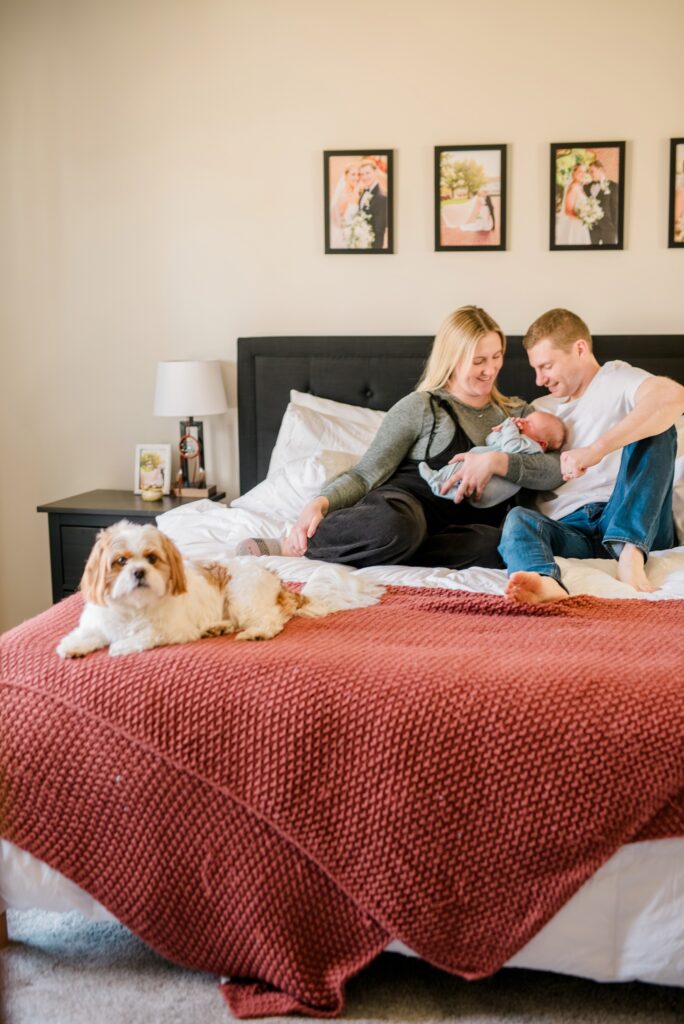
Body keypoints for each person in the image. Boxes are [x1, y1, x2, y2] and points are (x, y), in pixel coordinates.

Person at [240, 307, 563, 570]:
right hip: (404, 510)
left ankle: (393, 551)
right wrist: (319, 503)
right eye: (478, 361)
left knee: (496, 546)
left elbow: (555, 469)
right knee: (397, 528)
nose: (490, 370)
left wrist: (496, 461)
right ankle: (295, 545)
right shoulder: (422, 407)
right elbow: (366, 473)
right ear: (452, 359)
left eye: (496, 357)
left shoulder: (518, 414)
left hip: (459, 529)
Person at [499, 308, 684, 605]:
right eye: (535, 369)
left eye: (546, 366)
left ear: (580, 349)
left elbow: (672, 397)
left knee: (660, 429)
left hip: (631, 516)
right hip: (570, 530)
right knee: (518, 519)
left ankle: (630, 552)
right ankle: (545, 581)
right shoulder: (538, 409)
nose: (539, 379)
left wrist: (596, 449)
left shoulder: (615, 378)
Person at [418, 410, 566, 508]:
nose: (523, 421)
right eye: (526, 419)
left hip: (491, 486)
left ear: (542, 443)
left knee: (461, 469)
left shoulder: (533, 447)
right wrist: (501, 430)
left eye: (530, 423)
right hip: (483, 481)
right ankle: (440, 481)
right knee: (462, 468)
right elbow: (490, 441)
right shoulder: (517, 438)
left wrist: (509, 426)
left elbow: (511, 449)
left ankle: (438, 482)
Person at [583, 160, 619, 246]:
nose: (590, 174)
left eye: (592, 171)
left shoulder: (613, 186)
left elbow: (615, 208)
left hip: (609, 228)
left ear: (600, 170)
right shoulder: (586, 187)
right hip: (592, 228)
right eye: (589, 172)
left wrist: (616, 228)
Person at [555, 164, 592, 246]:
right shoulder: (573, 187)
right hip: (574, 225)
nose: (583, 174)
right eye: (580, 171)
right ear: (573, 173)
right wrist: (584, 219)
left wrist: (589, 216)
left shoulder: (579, 187)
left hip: (581, 224)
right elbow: (568, 211)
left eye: (584, 172)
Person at [357, 159, 388, 250]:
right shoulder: (364, 191)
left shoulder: (382, 197)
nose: (364, 177)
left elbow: (379, 231)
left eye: (368, 173)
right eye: (362, 174)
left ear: (376, 172)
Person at [329, 163, 361, 248]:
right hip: (345, 238)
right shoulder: (343, 196)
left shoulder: (355, 192)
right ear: (346, 176)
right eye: (353, 174)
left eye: (358, 174)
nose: (357, 178)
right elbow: (336, 221)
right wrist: (351, 231)